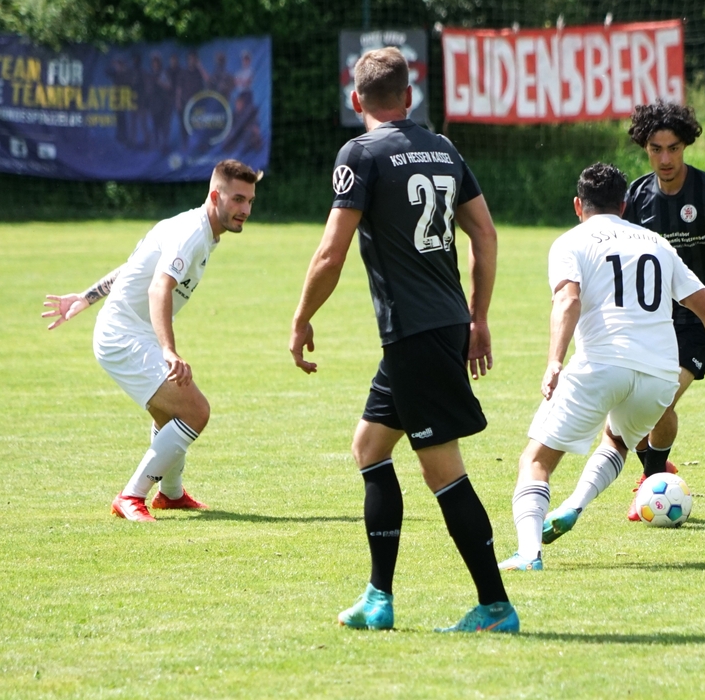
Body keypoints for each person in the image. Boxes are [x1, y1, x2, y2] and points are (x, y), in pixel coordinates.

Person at [289, 47, 517, 633]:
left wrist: (302, 317)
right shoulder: (443, 149)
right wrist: (478, 317)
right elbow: (485, 234)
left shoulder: (360, 153)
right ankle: (378, 598)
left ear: (356, 99)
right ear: (409, 96)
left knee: (443, 470)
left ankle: (496, 606)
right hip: (436, 327)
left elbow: (331, 252)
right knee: (369, 447)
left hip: (416, 334)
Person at [498, 163, 705, 571]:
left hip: (602, 364)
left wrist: (555, 360)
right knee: (616, 440)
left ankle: (529, 553)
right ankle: (575, 505)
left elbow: (567, 300)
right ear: (624, 205)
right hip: (660, 376)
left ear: (578, 205)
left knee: (536, 460)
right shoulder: (656, 243)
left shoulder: (571, 241)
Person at [548, 100, 705, 529]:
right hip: (652, 324)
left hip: (700, 321)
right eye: (655, 149)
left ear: (686, 146)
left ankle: (651, 480)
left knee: (659, 405)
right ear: (644, 149)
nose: (665, 159)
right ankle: (655, 477)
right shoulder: (636, 198)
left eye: (673, 148)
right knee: (650, 408)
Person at [42, 160, 262, 522]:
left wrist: (86, 296)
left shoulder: (201, 231)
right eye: (238, 199)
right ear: (214, 196)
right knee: (196, 411)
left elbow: (134, 268)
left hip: (130, 331)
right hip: (122, 336)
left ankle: (171, 494)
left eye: (250, 201)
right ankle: (131, 495)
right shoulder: (191, 232)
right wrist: (169, 351)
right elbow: (160, 287)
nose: (246, 209)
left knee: (170, 412)